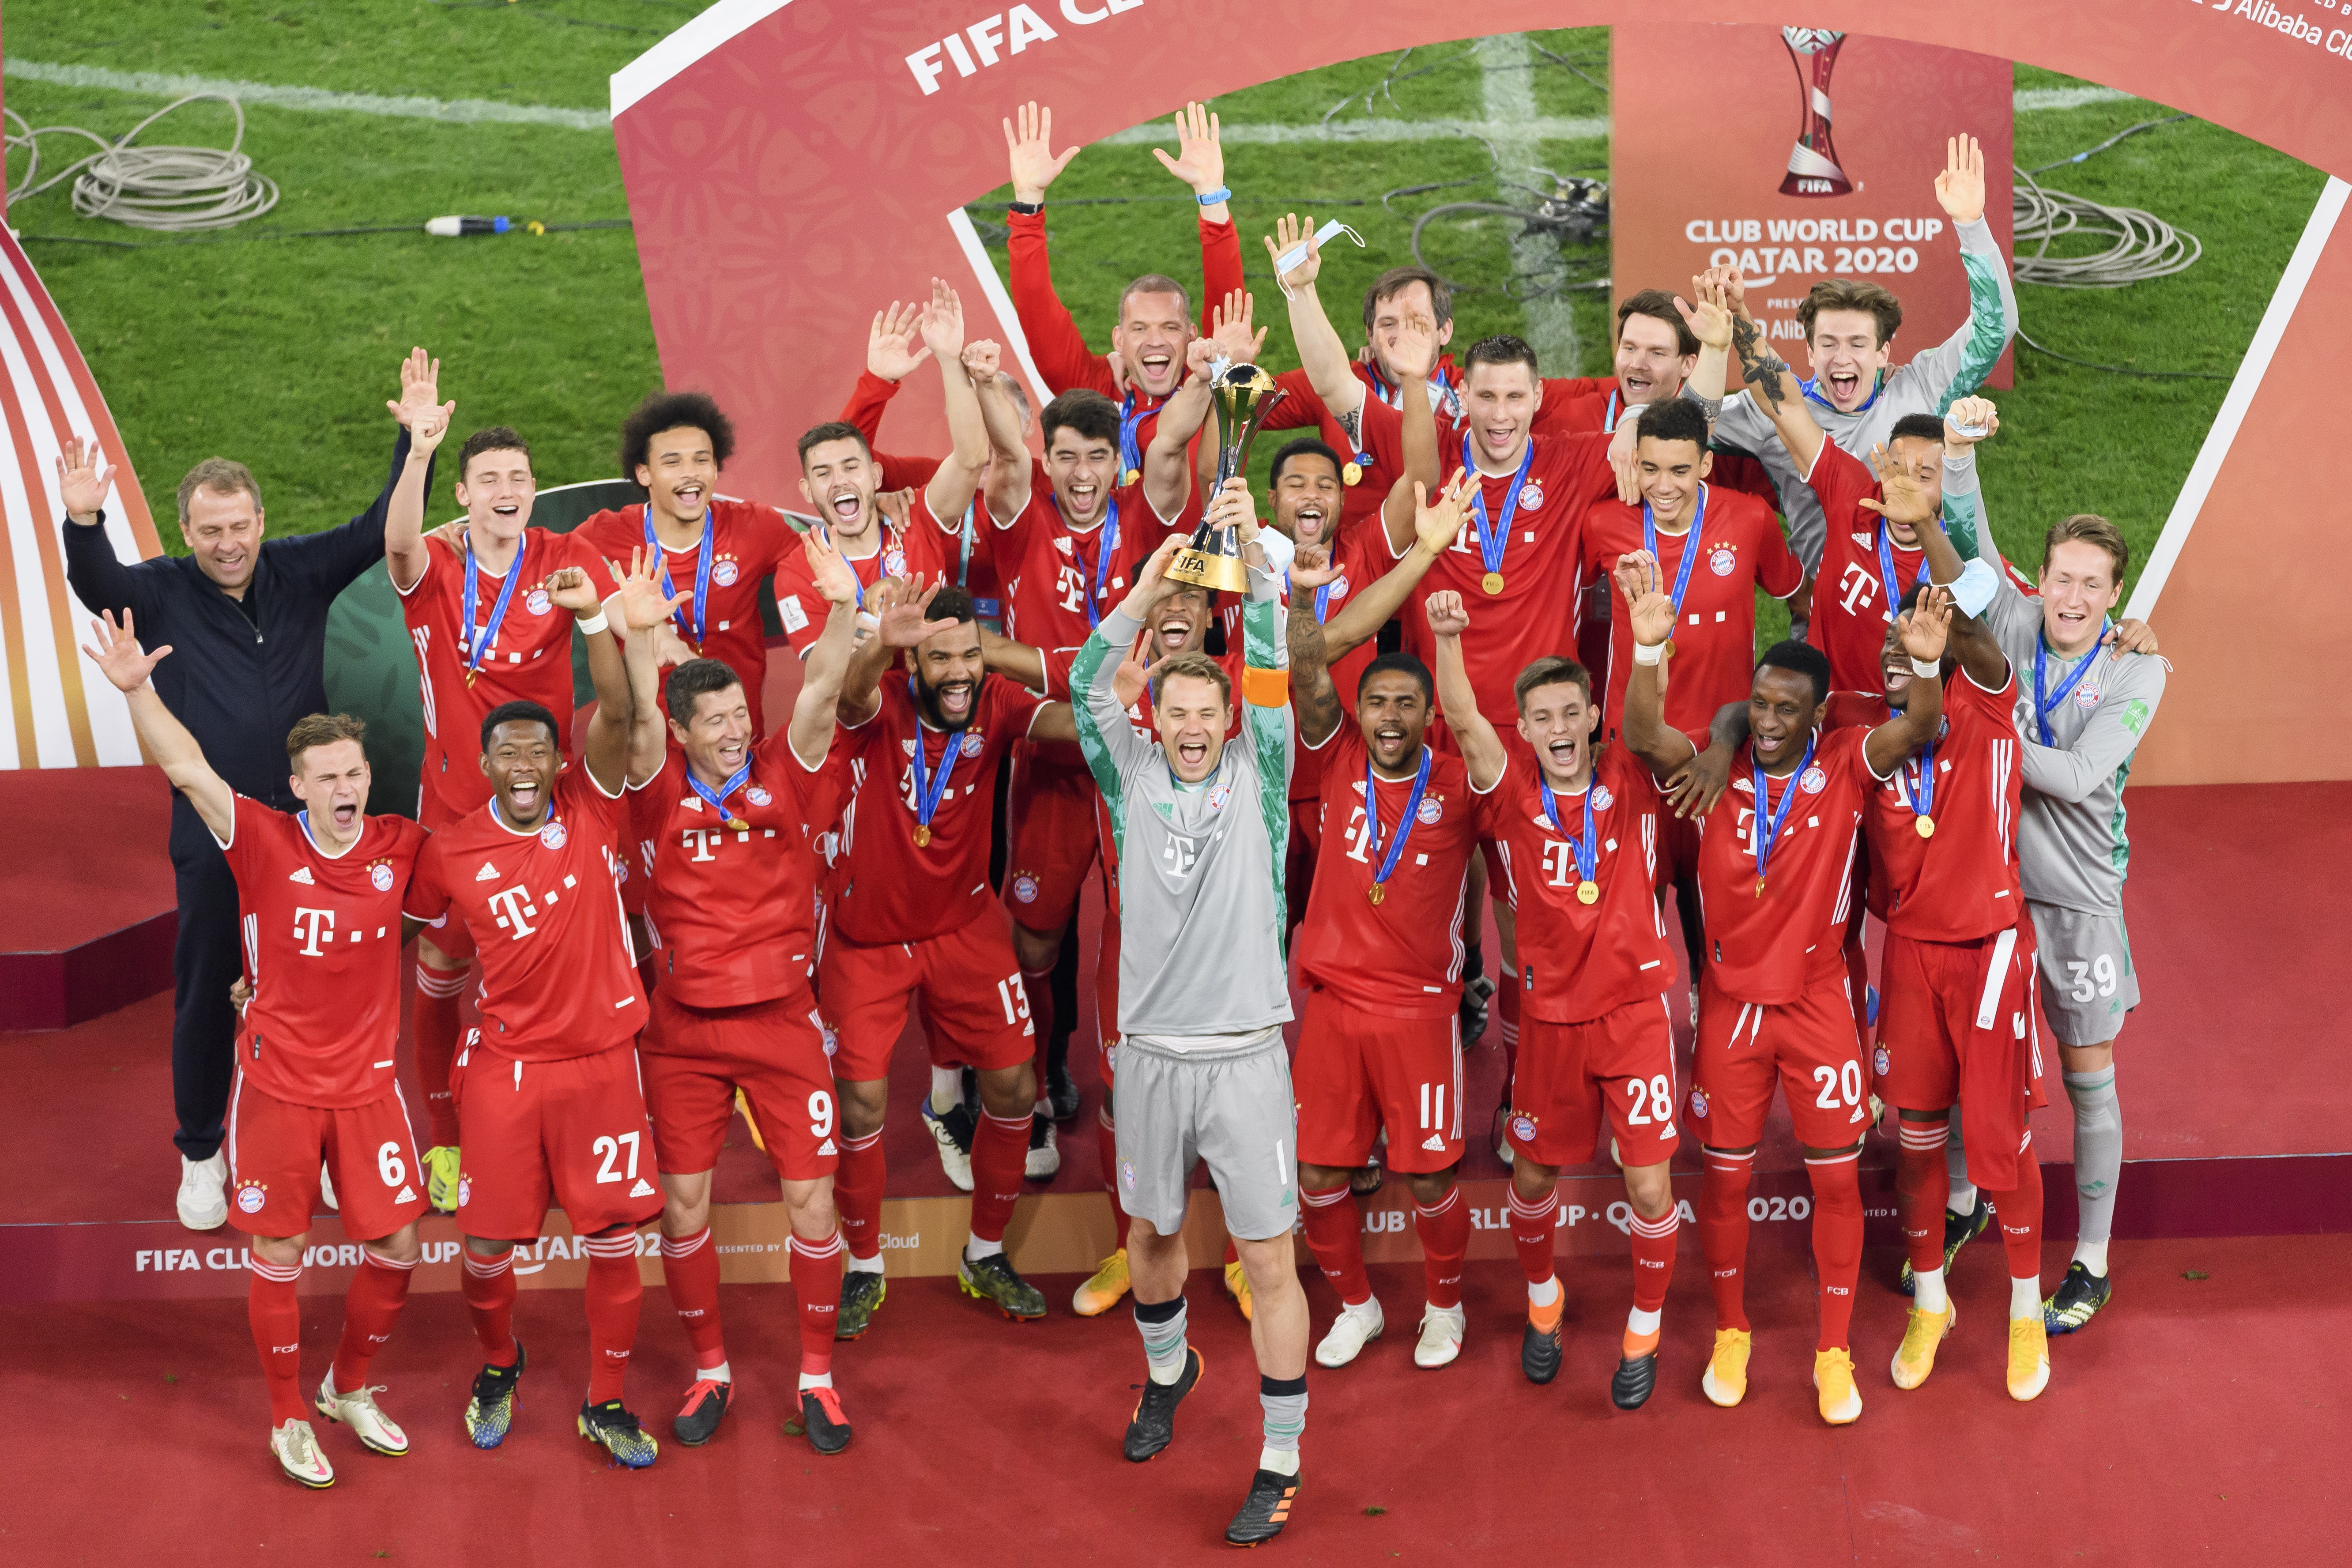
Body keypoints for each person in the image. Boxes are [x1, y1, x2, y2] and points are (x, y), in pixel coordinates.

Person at [57, 357, 440, 1230]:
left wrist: (410, 445)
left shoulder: (299, 571)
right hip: (215, 832)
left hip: (316, 838)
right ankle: (201, 1155)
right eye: (208, 530)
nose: (226, 544)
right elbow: (100, 586)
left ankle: (343, 1146)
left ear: (262, 520)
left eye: (239, 526)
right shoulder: (159, 591)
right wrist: (86, 521)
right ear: (185, 529)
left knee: (335, 995)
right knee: (205, 990)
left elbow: (381, 526)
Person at [86, 615, 428, 1487]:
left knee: (398, 1248)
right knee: (280, 1255)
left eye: (354, 773)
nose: (345, 788)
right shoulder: (263, 840)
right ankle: (286, 1419)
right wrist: (137, 692)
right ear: (297, 787)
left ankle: (348, 1388)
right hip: (279, 1088)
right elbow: (189, 769)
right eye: (327, 778)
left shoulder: (401, 848)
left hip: (371, 1091)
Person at [1616, 553, 1952, 1426]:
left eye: (1783, 710)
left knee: (1834, 1183)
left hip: (1818, 1007)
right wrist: (1648, 651)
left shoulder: (1844, 762)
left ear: (1817, 715)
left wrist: (1922, 662)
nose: (1766, 720)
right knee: (1723, 1183)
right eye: (1758, 705)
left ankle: (1832, 1352)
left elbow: (1920, 726)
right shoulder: (1710, 771)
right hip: (1730, 1009)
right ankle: (1733, 1332)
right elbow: (1643, 733)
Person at [1070, 492, 1308, 1548]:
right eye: (1178, 713)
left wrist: (1254, 563)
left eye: (1211, 712)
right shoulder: (1128, 779)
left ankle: (1281, 1459)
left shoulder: (1262, 774)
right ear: (1155, 721)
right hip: (1152, 1057)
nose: (1197, 726)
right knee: (1153, 1236)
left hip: (1248, 1056)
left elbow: (1265, 670)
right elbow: (1086, 680)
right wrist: (1148, 581)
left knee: (1267, 1268)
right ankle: (1169, 1373)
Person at [399, 554, 666, 1468]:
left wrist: (597, 622)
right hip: (506, 1071)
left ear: (559, 760)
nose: (523, 764)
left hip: (600, 1064)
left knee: (615, 1239)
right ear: (483, 765)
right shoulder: (451, 851)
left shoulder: (590, 809)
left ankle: (606, 1399)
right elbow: (424, 962)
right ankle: (501, 1363)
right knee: (482, 1244)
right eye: (507, 752)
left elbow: (625, 715)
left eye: (537, 751)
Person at [616, 530, 867, 1452]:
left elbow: (823, 689)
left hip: (783, 1024)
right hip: (680, 1033)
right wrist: (639, 635)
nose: (730, 730)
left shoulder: (784, 771)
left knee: (813, 1202)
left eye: (735, 714)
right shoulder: (652, 780)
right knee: (684, 1209)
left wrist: (842, 606)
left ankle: (817, 1380)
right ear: (681, 730)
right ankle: (710, 1372)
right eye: (712, 719)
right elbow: (636, 718)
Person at [1943, 399, 2165, 1337]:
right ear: (2041, 578)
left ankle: (2092, 1259)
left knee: (2086, 1075)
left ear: (2116, 594)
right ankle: (1964, 1203)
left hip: (2077, 902)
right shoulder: (2018, 617)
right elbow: (1965, 539)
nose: (2072, 599)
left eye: (2092, 585)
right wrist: (1958, 454)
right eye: (2061, 578)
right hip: (1991, 894)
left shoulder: (2136, 671)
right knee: (1973, 1061)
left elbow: (2077, 778)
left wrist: (1983, 729)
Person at [1430, 609, 1686, 1410]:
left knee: (1648, 1188)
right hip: (1548, 1025)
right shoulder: (1505, 794)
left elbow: (1647, 717)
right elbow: (1465, 718)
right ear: (1528, 732)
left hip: (1635, 1017)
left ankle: (1643, 1326)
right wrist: (1445, 637)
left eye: (1570, 712)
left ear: (1590, 718)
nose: (1557, 728)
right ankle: (1543, 1301)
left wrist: (1647, 645)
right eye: (1540, 718)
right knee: (1534, 1172)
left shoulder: (1630, 777)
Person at [981, 332, 1220, 1183]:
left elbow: (1170, 444)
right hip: (1052, 761)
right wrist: (974, 380)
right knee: (1038, 939)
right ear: (1046, 461)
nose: (1082, 475)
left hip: (1144, 767)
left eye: (1095, 457)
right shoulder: (1018, 518)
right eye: (1066, 458)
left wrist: (1202, 374)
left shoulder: (1147, 515)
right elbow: (1001, 455)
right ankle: (1047, 1066)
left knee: (1152, 932)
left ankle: (1152, 1076)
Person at [820, 580, 1081, 1330]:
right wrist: (879, 646)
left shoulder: (995, 700)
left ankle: (985, 1252)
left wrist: (1116, 703)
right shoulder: (883, 701)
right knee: (860, 1100)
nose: (961, 671)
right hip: (866, 936)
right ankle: (863, 1265)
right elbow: (848, 695)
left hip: (965, 928)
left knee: (1009, 1085)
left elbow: (1059, 723)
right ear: (914, 661)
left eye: (970, 653)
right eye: (941, 658)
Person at [386, 392, 611, 1212]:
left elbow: (618, 602)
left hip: (545, 809)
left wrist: (615, 614)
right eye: (487, 478)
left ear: (533, 487)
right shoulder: (438, 567)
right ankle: (444, 1143)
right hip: (453, 814)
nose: (504, 488)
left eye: (517, 476)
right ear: (465, 495)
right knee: (443, 969)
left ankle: (570, 1132)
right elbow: (399, 542)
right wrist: (419, 450)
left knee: (554, 972)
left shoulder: (560, 553)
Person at [1285, 611, 1480, 1374]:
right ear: (1356, 710)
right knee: (1316, 1176)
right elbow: (1307, 666)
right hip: (1334, 1003)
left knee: (1429, 1173)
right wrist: (1304, 593)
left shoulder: (1458, 780)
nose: (1390, 717)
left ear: (1428, 714)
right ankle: (1357, 1306)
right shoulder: (1335, 757)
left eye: (1405, 703)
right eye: (1377, 702)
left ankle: (1444, 1304)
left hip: (1419, 1011)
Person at [1710, 136, 2018, 574]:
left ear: (1883, 353)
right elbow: (1682, 428)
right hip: (1828, 628)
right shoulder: (1772, 414)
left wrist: (1971, 223)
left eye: (1858, 344)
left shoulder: (1921, 387)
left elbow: (1997, 328)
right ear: (1810, 352)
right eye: (1829, 344)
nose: (1842, 358)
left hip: (1925, 621)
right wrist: (1630, 423)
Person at [1003, 99, 1244, 464]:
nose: (1156, 341)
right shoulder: (1093, 391)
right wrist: (1028, 202)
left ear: (1194, 336)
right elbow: (1036, 308)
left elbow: (1228, 307)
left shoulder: (1210, 383)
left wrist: (1212, 196)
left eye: (1170, 327)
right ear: (1119, 339)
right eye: (1140, 329)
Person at [775, 279, 993, 651]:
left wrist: (949, 361)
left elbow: (972, 459)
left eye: (851, 469)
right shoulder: (798, 572)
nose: (840, 481)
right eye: (823, 474)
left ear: (876, 476)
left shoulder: (916, 519)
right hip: (875, 710)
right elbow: (833, 693)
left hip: (947, 696)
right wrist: (877, 639)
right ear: (807, 490)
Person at [572, 389, 800, 731]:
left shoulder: (757, 528)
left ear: (717, 467)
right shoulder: (604, 534)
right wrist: (469, 540)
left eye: (701, 460)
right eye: (673, 462)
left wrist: (879, 507)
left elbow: (834, 550)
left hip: (737, 742)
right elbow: (542, 560)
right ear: (644, 473)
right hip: (652, 752)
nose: (690, 473)